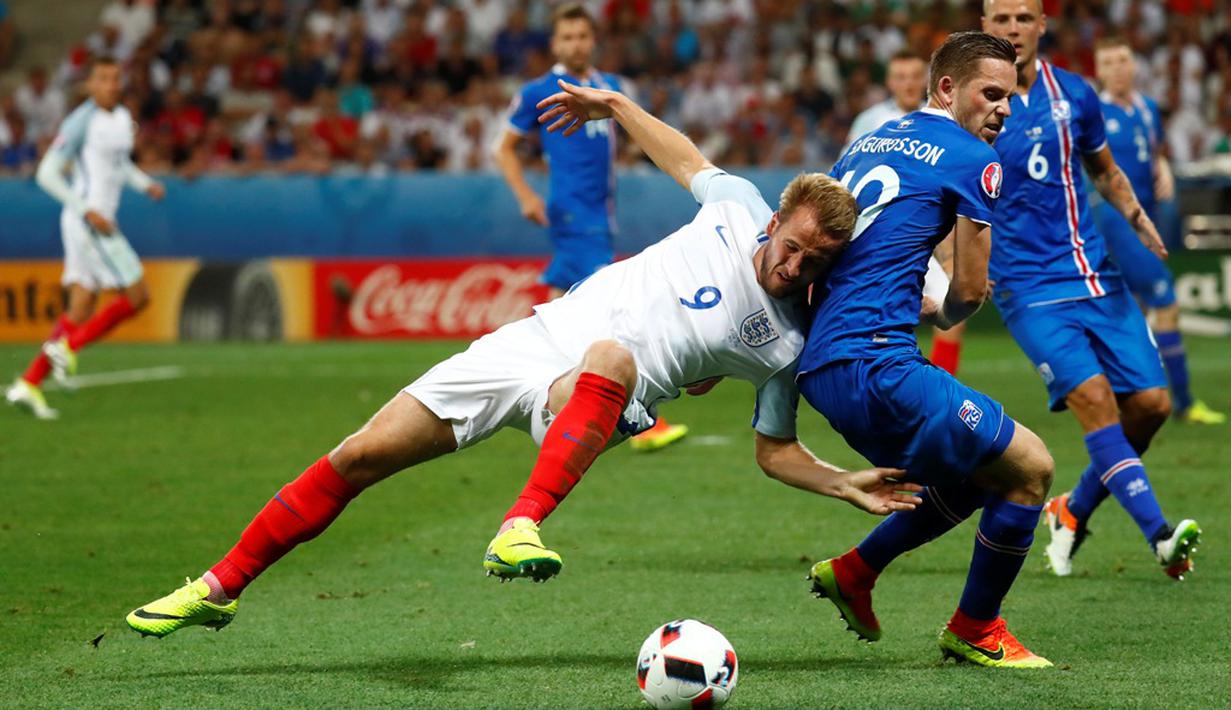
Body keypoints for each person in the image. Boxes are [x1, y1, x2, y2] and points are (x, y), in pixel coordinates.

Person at [125, 77, 924, 640]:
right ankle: (218, 588)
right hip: (533, 341)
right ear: (777, 217)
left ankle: (520, 524)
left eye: (813, 265)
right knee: (360, 453)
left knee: (612, 356)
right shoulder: (737, 205)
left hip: (598, 395)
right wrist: (613, 105)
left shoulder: (789, 342)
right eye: (791, 249)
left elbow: (773, 447)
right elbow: (682, 155)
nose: (794, 269)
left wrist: (840, 482)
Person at [800, 31, 1058, 669]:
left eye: (1010, 98)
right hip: (878, 365)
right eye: (991, 94)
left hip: (823, 366)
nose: (1003, 109)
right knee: (1032, 468)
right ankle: (976, 628)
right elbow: (969, 293)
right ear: (947, 88)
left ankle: (856, 571)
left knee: (977, 473)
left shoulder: (869, 140)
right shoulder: (975, 159)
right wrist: (943, 307)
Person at [982, 0, 1201, 581]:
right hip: (1026, 288)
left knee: (1151, 407)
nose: (1012, 29)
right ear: (984, 27)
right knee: (1096, 401)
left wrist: (1134, 212)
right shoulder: (966, 104)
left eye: (1022, 18)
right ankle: (1160, 536)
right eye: (1000, 19)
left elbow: (1102, 168)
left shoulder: (1075, 94)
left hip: (1095, 275)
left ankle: (1072, 510)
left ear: (1041, 26)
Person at [494, 3, 688, 452]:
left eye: (582, 36)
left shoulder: (611, 88)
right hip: (572, 213)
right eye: (567, 37)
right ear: (555, 45)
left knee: (563, 303)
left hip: (600, 213)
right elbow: (503, 148)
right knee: (608, 309)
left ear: (593, 40)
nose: (576, 44)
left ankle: (520, 378)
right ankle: (637, 415)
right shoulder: (537, 91)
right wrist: (525, 195)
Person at [5, 58, 165, 420]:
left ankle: (29, 383)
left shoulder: (122, 119)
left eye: (115, 78)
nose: (111, 84)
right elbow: (47, 173)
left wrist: (146, 185)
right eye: (103, 78)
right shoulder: (81, 121)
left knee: (81, 306)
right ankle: (69, 347)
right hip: (89, 221)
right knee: (138, 294)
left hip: (96, 221)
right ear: (90, 84)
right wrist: (86, 209)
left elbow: (120, 165)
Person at [1092, 36, 1224, 425]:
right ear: (1099, 71)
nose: (1118, 68)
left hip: (1146, 217)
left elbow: (1154, 150)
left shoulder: (1148, 109)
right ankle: (1183, 402)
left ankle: (1127, 396)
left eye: (1123, 60)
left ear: (1134, 65)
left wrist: (1162, 166)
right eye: (1110, 62)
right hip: (1115, 220)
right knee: (1165, 299)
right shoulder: (1094, 113)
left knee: (1135, 309)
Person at [844, 50, 967, 376]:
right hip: (879, 236)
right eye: (900, 77)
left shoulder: (947, 119)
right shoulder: (870, 122)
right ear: (889, 81)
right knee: (883, 313)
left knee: (952, 309)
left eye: (915, 76)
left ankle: (941, 390)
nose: (909, 83)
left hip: (928, 234)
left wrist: (955, 254)